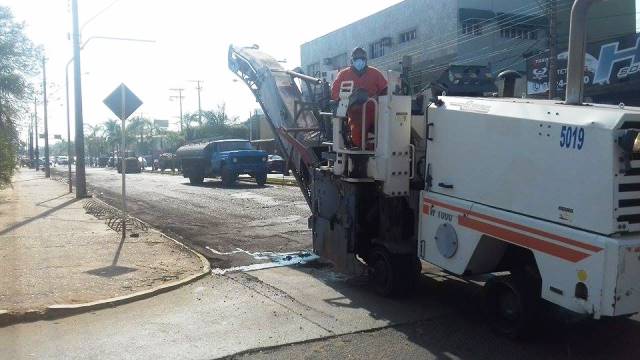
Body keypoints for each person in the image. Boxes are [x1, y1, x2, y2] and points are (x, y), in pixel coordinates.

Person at [331, 47, 388, 149]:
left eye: (362, 59)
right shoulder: (343, 75)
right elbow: (335, 92)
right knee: (357, 137)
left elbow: (385, 89)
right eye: (356, 59)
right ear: (352, 61)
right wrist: (344, 99)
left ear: (366, 60)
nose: (359, 62)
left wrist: (378, 98)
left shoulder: (375, 73)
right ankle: (362, 156)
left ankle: (377, 149)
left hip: (374, 112)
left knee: (386, 132)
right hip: (355, 113)